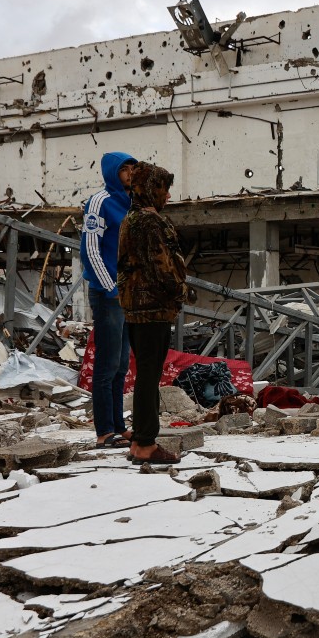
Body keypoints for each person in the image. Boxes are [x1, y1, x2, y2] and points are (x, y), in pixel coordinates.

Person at [116, 162, 184, 465]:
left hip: (134, 306)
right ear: (151, 189)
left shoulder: (129, 219)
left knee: (145, 373)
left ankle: (138, 441)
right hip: (153, 307)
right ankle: (145, 444)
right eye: (164, 189)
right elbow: (163, 267)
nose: (167, 195)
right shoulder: (151, 222)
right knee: (149, 376)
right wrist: (180, 291)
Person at [81, 152, 138, 448]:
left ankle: (118, 426)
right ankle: (104, 431)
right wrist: (110, 287)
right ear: (112, 173)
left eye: (132, 169)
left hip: (127, 294)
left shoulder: (133, 202)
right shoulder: (99, 202)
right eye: (123, 169)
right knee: (106, 365)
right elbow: (91, 249)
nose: (129, 173)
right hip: (108, 295)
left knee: (120, 365)